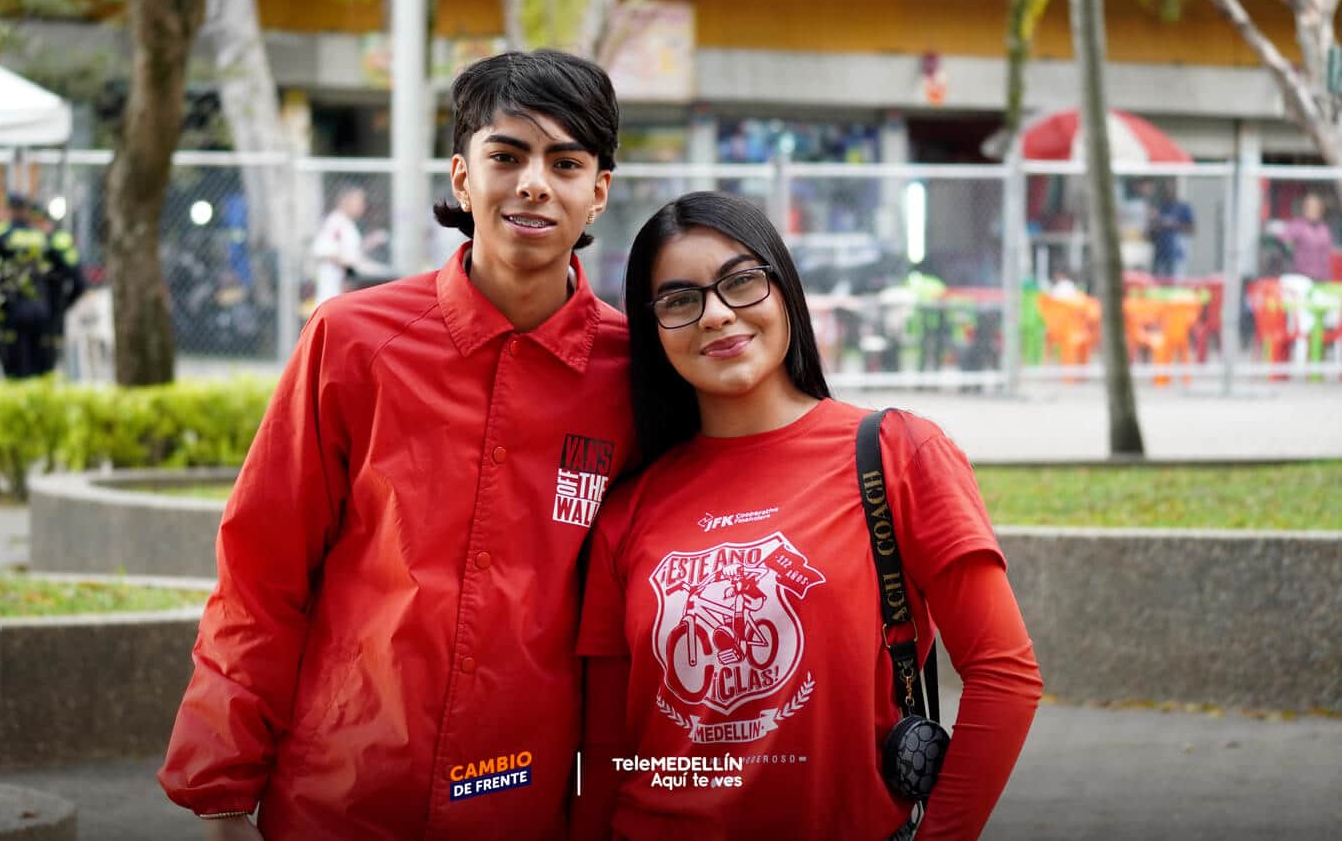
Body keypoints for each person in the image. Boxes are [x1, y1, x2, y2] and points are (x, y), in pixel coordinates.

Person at [158, 50, 634, 840]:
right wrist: (223, 788)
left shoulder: (634, 376)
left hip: (524, 806)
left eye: (565, 163)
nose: (534, 183)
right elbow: (261, 575)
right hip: (338, 796)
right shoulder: (353, 339)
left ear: (599, 191)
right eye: (507, 156)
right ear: (461, 177)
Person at [574, 192, 1042, 840]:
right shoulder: (628, 508)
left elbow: (1004, 674)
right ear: (653, 330)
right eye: (679, 300)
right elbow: (606, 747)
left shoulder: (896, 454)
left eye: (741, 281)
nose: (717, 314)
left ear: (784, 289)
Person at [0, 194, 69, 378]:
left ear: (10, 211)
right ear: (27, 211)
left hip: (11, 310)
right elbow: (65, 270)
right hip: (41, 310)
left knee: (15, 369)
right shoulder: (42, 237)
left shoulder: (1, 236)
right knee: (39, 369)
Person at [31, 202, 89, 374]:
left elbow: (79, 281)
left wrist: (64, 304)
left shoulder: (58, 241)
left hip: (48, 307)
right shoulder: (55, 240)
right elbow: (79, 281)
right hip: (50, 307)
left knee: (42, 361)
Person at [309, 186, 388, 302]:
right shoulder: (335, 222)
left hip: (344, 289)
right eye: (359, 201)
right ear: (346, 201)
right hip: (334, 288)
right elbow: (325, 251)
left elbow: (351, 252)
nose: (362, 206)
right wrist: (351, 272)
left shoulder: (347, 223)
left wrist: (370, 243)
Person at [1277, 192, 1334, 282]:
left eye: (1316, 207)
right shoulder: (1297, 225)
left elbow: (1328, 252)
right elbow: (1282, 240)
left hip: (1323, 276)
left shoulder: (1324, 228)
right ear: (1304, 209)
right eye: (1309, 207)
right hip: (1302, 277)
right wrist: (1288, 248)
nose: (1313, 210)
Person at [1146, 181, 1194, 279]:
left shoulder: (1183, 208)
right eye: (1165, 191)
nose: (1168, 193)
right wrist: (1154, 223)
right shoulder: (1159, 208)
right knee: (1158, 282)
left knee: (1175, 282)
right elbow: (1150, 234)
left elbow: (1191, 229)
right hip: (1160, 255)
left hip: (1176, 255)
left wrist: (1172, 224)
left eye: (1170, 191)